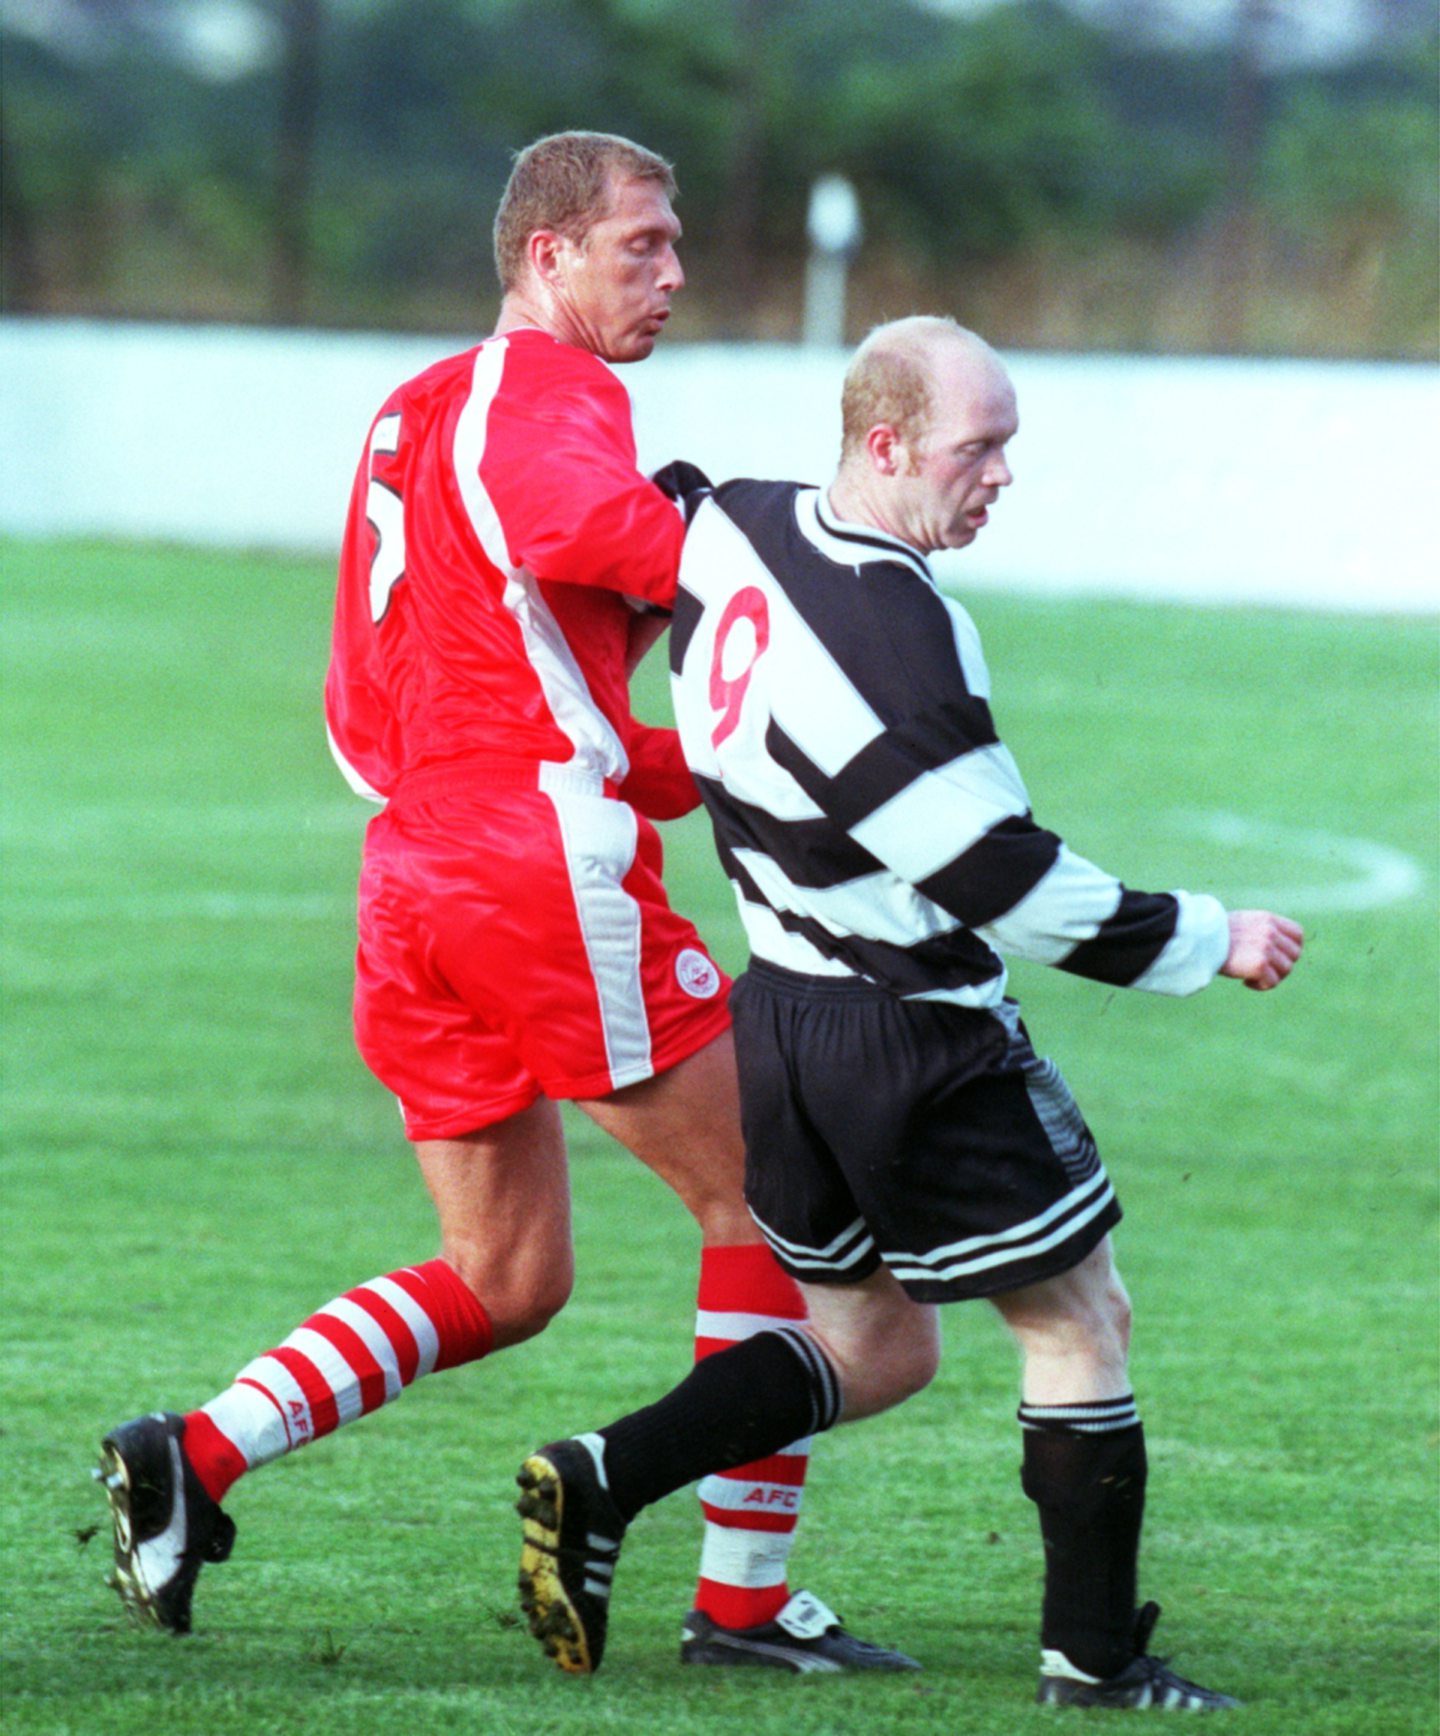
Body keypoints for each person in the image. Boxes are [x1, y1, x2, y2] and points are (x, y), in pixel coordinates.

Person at [91, 131, 915, 1676]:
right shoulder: (557, 394)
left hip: (412, 870)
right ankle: (740, 1606)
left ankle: (189, 1456)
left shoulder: (409, 416)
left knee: (508, 1278)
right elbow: (580, 537)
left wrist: (660, 758)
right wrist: (758, 572)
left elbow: (381, 704)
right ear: (548, 256)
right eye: (641, 246)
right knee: (778, 1215)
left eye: (675, 247)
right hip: (531, 867)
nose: (671, 273)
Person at [513, 316, 1305, 1707]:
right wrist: (1204, 936)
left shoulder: (741, 520)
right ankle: (1097, 1661)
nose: (1000, 476)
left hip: (787, 1026)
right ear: (886, 445)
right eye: (977, 449)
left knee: (873, 1347)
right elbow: (1005, 881)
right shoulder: (894, 638)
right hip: (913, 1034)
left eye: (1009, 447)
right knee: (1078, 1320)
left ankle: (604, 1474)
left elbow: (651, 512)